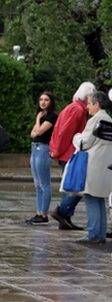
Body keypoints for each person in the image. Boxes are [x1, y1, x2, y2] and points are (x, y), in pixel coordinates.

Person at [50, 82, 96, 230]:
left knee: (70, 187)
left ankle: (65, 218)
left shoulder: (72, 107)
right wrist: (58, 150)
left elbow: (61, 131)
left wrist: (56, 150)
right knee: (76, 188)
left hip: (66, 152)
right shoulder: (78, 110)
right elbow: (66, 132)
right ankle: (62, 212)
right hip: (70, 153)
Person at [67, 91, 112, 243]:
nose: (87, 107)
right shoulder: (109, 119)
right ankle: (100, 234)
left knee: (91, 198)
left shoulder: (96, 120)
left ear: (97, 104)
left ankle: (93, 235)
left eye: (89, 104)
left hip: (93, 164)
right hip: (105, 164)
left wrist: (76, 136)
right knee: (99, 200)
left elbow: (84, 143)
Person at [26, 91, 58, 225]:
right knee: (37, 184)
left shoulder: (52, 116)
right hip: (35, 148)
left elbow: (38, 131)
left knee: (44, 183)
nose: (43, 102)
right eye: (41, 100)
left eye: (46, 100)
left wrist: (38, 120)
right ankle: (38, 212)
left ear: (51, 102)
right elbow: (32, 134)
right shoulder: (42, 114)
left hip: (43, 149)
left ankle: (44, 213)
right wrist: (38, 121)